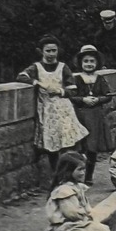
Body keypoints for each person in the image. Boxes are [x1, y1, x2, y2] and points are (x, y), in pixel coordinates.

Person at [17, 35, 88, 174]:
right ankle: (57, 175)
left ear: (58, 51)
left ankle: (71, 173)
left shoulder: (63, 67)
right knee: (52, 144)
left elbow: (73, 89)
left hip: (64, 110)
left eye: (54, 50)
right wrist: (38, 83)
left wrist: (60, 91)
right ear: (41, 51)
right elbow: (21, 76)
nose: (51, 54)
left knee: (68, 143)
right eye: (48, 51)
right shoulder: (36, 67)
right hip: (47, 110)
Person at [68, 45, 115, 183]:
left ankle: (89, 176)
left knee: (92, 147)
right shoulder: (76, 79)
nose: (89, 64)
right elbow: (71, 96)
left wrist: (98, 99)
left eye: (92, 61)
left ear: (97, 63)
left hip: (96, 116)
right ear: (80, 63)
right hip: (80, 115)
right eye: (86, 61)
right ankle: (75, 175)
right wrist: (83, 99)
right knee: (79, 147)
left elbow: (108, 95)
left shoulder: (99, 79)